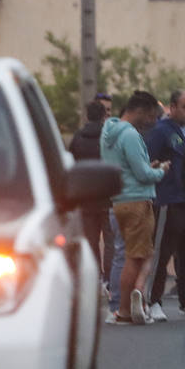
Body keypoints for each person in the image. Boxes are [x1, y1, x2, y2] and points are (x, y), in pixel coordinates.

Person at [101, 91, 169, 324]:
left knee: (127, 253)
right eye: (150, 116)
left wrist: (146, 167)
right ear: (138, 111)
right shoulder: (130, 135)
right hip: (137, 200)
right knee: (136, 256)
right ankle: (126, 308)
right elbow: (142, 173)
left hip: (118, 200)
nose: (152, 121)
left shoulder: (108, 133)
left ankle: (128, 301)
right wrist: (161, 171)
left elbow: (127, 167)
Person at [143, 89, 185, 321]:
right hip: (169, 200)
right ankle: (153, 300)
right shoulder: (161, 131)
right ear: (172, 107)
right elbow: (148, 159)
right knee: (162, 253)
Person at [69, 92, 115, 283]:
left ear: (87, 116)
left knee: (91, 241)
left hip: (87, 198)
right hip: (109, 197)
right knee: (111, 242)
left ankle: (95, 278)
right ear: (104, 115)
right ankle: (109, 280)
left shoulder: (78, 137)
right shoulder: (110, 136)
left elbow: (71, 164)